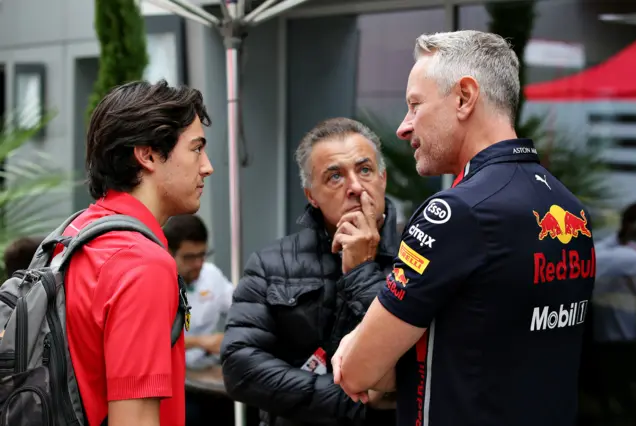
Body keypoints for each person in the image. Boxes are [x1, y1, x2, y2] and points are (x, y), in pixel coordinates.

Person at [332, 30, 596, 426]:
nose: (404, 127)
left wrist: (355, 347)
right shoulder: (569, 206)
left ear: (464, 97)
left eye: (415, 105)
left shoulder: (456, 212)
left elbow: (359, 373)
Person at [221, 117, 399, 426]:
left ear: (382, 178)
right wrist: (348, 402)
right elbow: (240, 368)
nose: (356, 187)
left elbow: (411, 363)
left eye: (365, 170)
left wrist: (362, 271)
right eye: (335, 177)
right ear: (311, 196)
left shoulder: (417, 257)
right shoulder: (273, 262)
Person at [59, 80, 213, 426]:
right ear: (146, 155)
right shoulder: (142, 263)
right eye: (196, 149)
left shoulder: (75, 235)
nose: (207, 166)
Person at [163, 214, 234, 426]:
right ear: (169, 253)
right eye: (189, 257)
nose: (198, 264)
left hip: (206, 373)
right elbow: (153, 342)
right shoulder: (156, 284)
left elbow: (241, 308)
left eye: (202, 255)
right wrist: (201, 341)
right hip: (173, 382)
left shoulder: (211, 275)